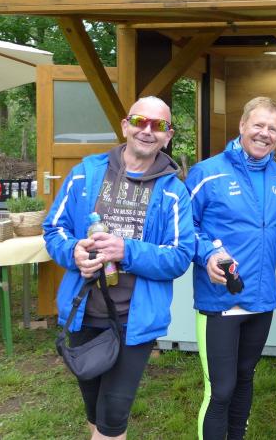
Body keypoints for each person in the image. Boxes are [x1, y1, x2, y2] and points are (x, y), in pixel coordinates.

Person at [43, 96, 195, 440]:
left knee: (112, 416)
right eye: (140, 121)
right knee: (94, 410)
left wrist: (127, 251)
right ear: (126, 125)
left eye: (159, 125)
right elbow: (54, 230)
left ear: (168, 136)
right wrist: (73, 252)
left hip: (133, 320)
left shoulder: (173, 191)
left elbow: (180, 255)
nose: (147, 130)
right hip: (84, 312)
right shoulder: (86, 174)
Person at [185, 96, 276, 440]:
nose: (265, 133)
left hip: (260, 299)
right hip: (219, 300)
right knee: (221, 389)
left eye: (273, 128)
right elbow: (183, 228)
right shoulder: (207, 172)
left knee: (245, 378)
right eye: (258, 125)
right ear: (242, 125)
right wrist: (207, 254)